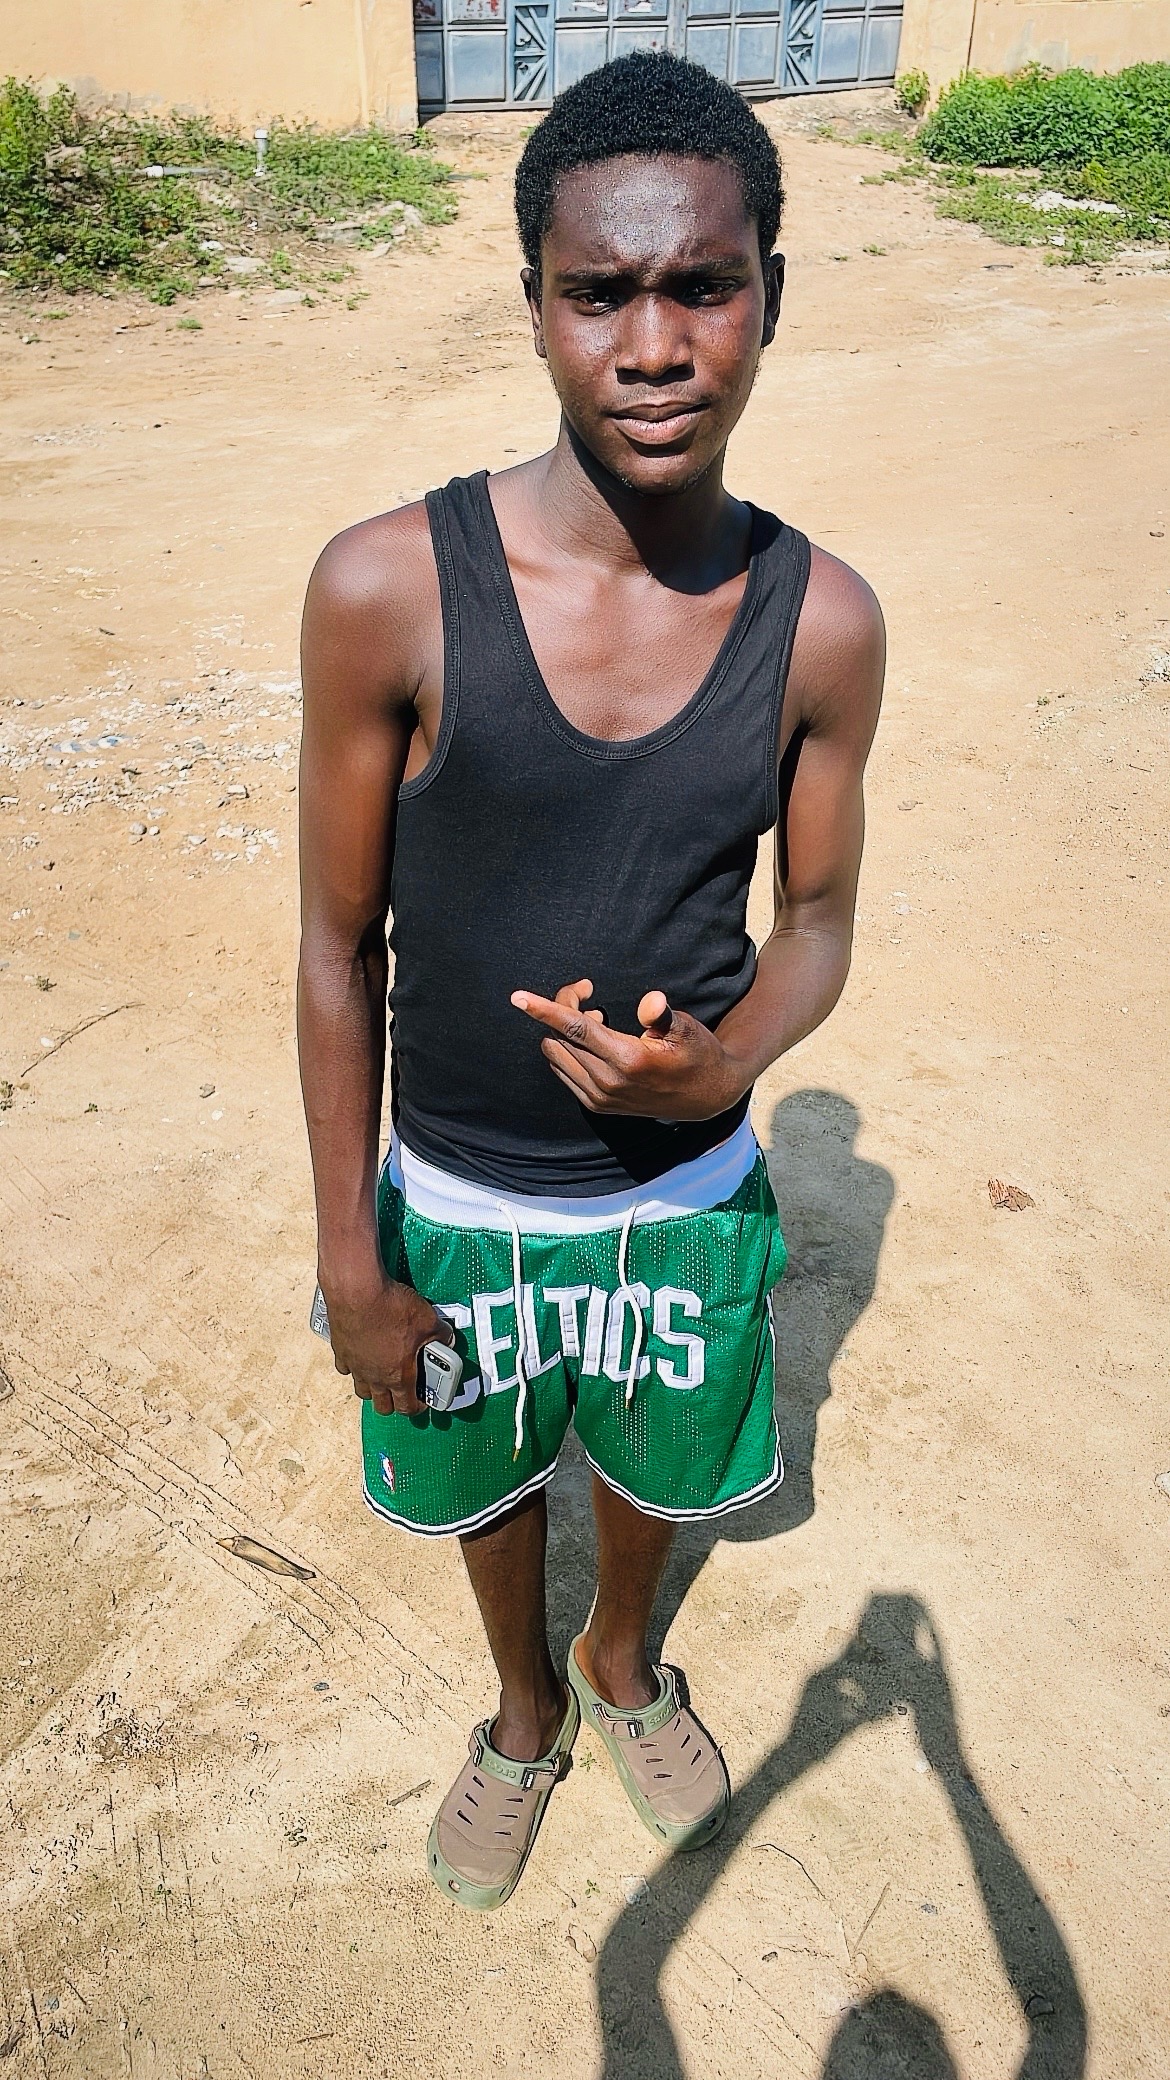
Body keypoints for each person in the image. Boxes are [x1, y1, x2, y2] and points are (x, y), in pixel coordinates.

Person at [297, 50, 883, 1912]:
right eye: (597, 294)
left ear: (770, 295)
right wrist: (352, 1264)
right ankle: (523, 1703)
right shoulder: (388, 588)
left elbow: (815, 923)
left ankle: (621, 1657)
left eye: (702, 287)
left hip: (682, 1197)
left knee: (645, 1461)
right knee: (483, 1479)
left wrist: (725, 1069)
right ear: (534, 307)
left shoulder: (821, 620)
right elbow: (335, 942)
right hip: (460, 1194)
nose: (651, 347)